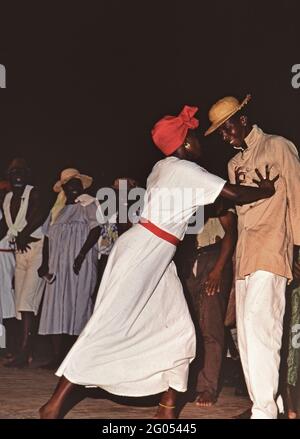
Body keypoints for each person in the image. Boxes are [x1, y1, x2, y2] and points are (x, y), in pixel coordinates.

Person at [40, 105, 278, 419]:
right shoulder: (184, 170)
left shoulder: (162, 168)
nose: (199, 142)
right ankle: (53, 407)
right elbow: (233, 193)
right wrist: (265, 190)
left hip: (157, 256)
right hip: (144, 253)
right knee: (107, 328)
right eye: (194, 136)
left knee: (179, 331)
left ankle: (166, 411)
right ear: (186, 143)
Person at [205, 94, 300, 419]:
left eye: (226, 126)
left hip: (271, 250)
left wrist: (299, 247)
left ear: (243, 119)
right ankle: (266, 405)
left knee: (263, 331)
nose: (224, 134)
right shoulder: (234, 164)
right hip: (245, 257)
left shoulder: (279, 146)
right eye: (219, 131)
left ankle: (263, 412)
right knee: (246, 335)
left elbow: (299, 196)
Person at [38, 169, 101, 369]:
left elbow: (96, 229)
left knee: (78, 303)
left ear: (81, 184)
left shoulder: (89, 203)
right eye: (69, 184)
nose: (73, 187)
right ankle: (58, 356)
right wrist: (44, 264)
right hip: (57, 264)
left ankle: (77, 357)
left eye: (76, 183)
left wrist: (81, 255)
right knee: (57, 306)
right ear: (63, 188)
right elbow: (47, 238)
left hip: (79, 262)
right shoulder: (57, 210)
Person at [183, 200, 237, 407]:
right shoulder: (186, 198)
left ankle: (208, 387)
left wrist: (218, 270)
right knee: (188, 326)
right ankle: (187, 384)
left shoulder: (218, 199)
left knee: (210, 325)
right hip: (190, 261)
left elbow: (230, 233)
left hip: (213, 259)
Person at [1, 158, 45, 367]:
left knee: (27, 302)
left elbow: (39, 215)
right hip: (19, 253)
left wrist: (24, 234)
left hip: (36, 250)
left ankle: (24, 352)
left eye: (21, 171)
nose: (17, 174)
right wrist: (19, 237)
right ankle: (26, 351)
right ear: (8, 176)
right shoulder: (8, 198)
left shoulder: (34, 193)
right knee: (20, 303)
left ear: (27, 175)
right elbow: (5, 226)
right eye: (13, 171)